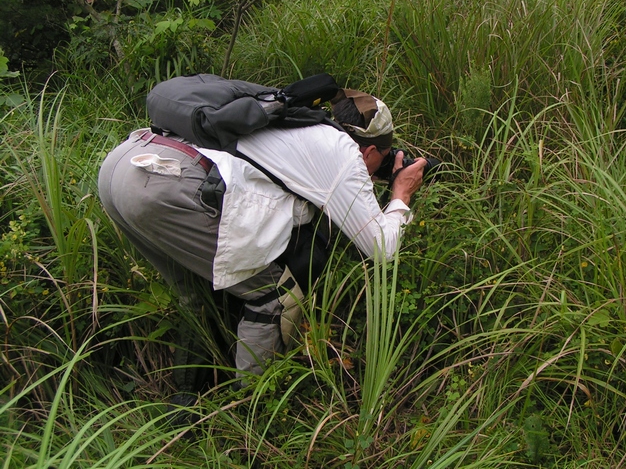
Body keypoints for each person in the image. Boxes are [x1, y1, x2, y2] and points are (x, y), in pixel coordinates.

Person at [97, 86, 426, 398]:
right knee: (276, 298)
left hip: (125, 165)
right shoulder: (344, 154)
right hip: (166, 184)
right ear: (369, 150)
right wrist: (401, 193)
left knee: (200, 292)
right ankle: (250, 408)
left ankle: (188, 399)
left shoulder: (292, 118)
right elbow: (381, 249)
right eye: (380, 159)